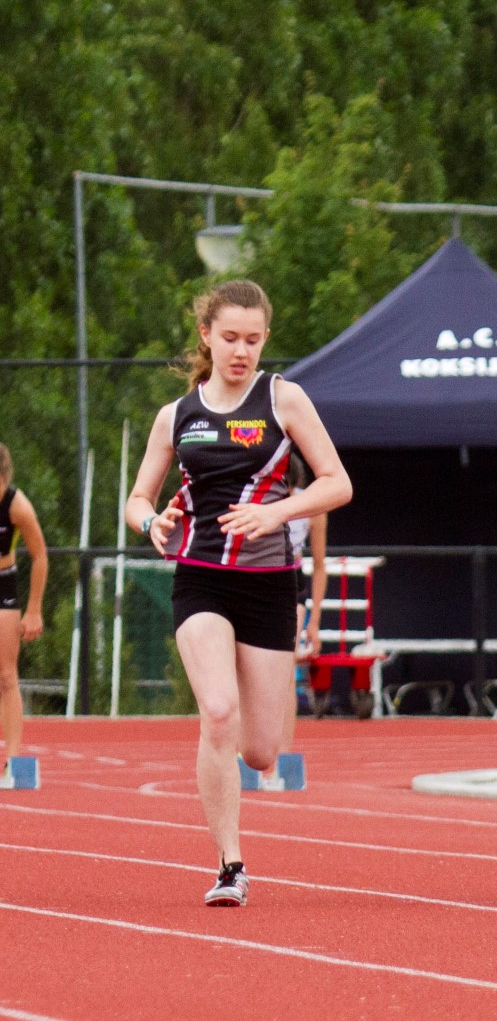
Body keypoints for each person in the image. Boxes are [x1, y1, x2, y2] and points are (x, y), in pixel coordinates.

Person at [125, 280, 351, 905]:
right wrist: (152, 523)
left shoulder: (284, 399)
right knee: (217, 711)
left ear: (265, 341)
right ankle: (230, 865)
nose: (241, 350)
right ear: (206, 335)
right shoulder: (177, 415)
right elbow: (138, 497)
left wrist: (275, 516)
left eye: (253, 340)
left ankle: (242, 781)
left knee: (262, 750)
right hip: (200, 577)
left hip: (269, 583)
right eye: (230, 338)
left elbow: (337, 484)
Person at [268, 451, 327, 788]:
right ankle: (246, 754)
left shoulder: (311, 507)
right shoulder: (256, 499)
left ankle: (284, 756)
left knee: (285, 670)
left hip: (292, 581)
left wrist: (314, 622)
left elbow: (319, 566)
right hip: (256, 576)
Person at [0, 444, 47, 789]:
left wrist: (33, 610)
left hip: (4, 587)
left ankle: (12, 763)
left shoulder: (18, 507)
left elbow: (40, 555)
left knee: (6, 675)